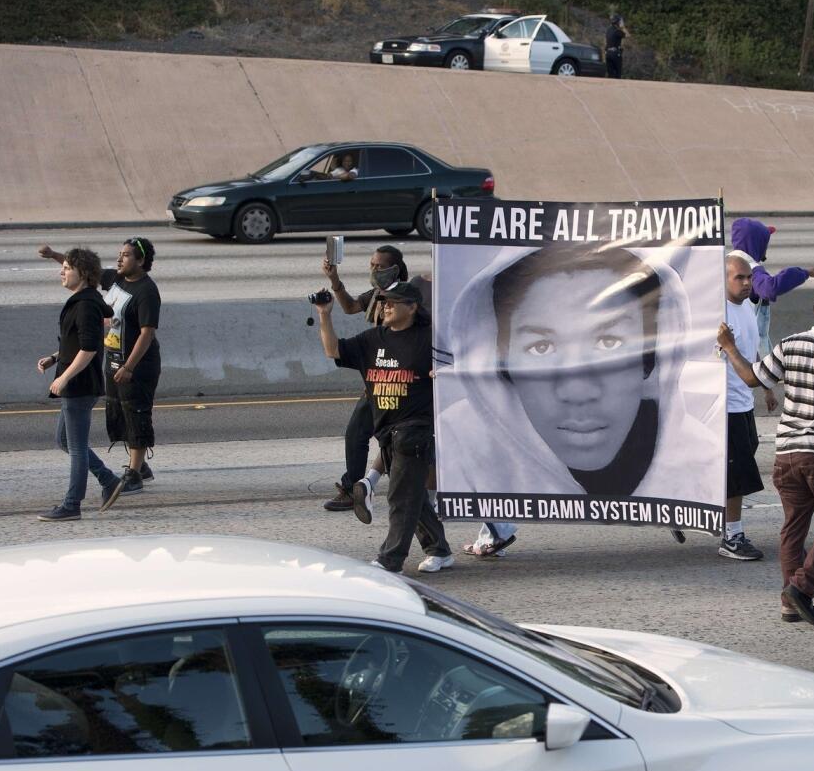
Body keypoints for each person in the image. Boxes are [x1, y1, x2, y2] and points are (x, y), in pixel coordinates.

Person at [435, 244, 720, 503]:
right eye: (541, 347)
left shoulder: (703, 465)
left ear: (650, 358)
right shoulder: (460, 447)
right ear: (503, 364)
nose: (578, 391)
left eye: (609, 343)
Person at [717, 288, 814, 627]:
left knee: (794, 527)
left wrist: (729, 348)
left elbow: (752, 377)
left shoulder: (790, 344)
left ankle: (789, 603)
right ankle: (802, 588)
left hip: (786, 454)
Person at [315, 280, 453, 574]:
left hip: (416, 430)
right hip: (387, 431)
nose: (385, 306)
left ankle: (390, 561)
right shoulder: (373, 339)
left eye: (392, 302)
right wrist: (325, 314)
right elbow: (333, 350)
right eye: (383, 302)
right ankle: (439, 548)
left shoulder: (430, 338)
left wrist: (445, 371)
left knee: (400, 497)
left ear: (413, 307)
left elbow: (463, 360)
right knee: (412, 493)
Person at [40, 239, 161, 508]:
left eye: (126, 255)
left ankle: (132, 472)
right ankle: (121, 474)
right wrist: (53, 256)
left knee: (136, 412)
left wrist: (130, 366)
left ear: (140, 261)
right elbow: (84, 270)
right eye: (119, 254)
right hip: (115, 357)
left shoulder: (146, 291)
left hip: (138, 363)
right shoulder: (115, 279)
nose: (119, 260)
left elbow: (147, 333)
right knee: (118, 412)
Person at [319, 245, 416, 518]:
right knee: (358, 432)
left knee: (393, 440)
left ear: (395, 268)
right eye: (371, 265)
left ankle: (370, 487)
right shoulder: (377, 295)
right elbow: (350, 306)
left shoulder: (408, 297)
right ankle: (356, 487)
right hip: (381, 379)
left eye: (379, 266)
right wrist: (334, 281)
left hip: (405, 379)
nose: (374, 270)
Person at [35, 248, 121, 521]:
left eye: (67, 268)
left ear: (82, 274)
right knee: (65, 440)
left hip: (80, 385)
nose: (62, 271)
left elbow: (89, 349)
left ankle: (72, 505)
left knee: (76, 447)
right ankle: (108, 479)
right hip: (77, 382)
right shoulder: (84, 301)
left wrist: (64, 377)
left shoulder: (85, 305)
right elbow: (77, 343)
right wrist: (53, 358)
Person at [719, 253, 776, 561]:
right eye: (738, 278)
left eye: (749, 278)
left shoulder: (747, 309)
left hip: (744, 402)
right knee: (736, 472)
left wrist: (766, 388)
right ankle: (732, 536)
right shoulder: (717, 314)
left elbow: (753, 353)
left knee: (735, 464)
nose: (746, 283)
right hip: (724, 406)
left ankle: (692, 511)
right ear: (724, 279)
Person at [729, 218, 814, 353]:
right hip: (748, 351)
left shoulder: (724, 263)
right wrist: (806, 272)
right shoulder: (751, 270)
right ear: (758, 243)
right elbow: (770, 288)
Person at [605, 14, 628, 79]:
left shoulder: (608, 30)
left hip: (608, 53)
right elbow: (627, 35)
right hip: (615, 53)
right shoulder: (617, 31)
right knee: (618, 73)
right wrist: (623, 27)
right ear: (618, 22)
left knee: (610, 74)